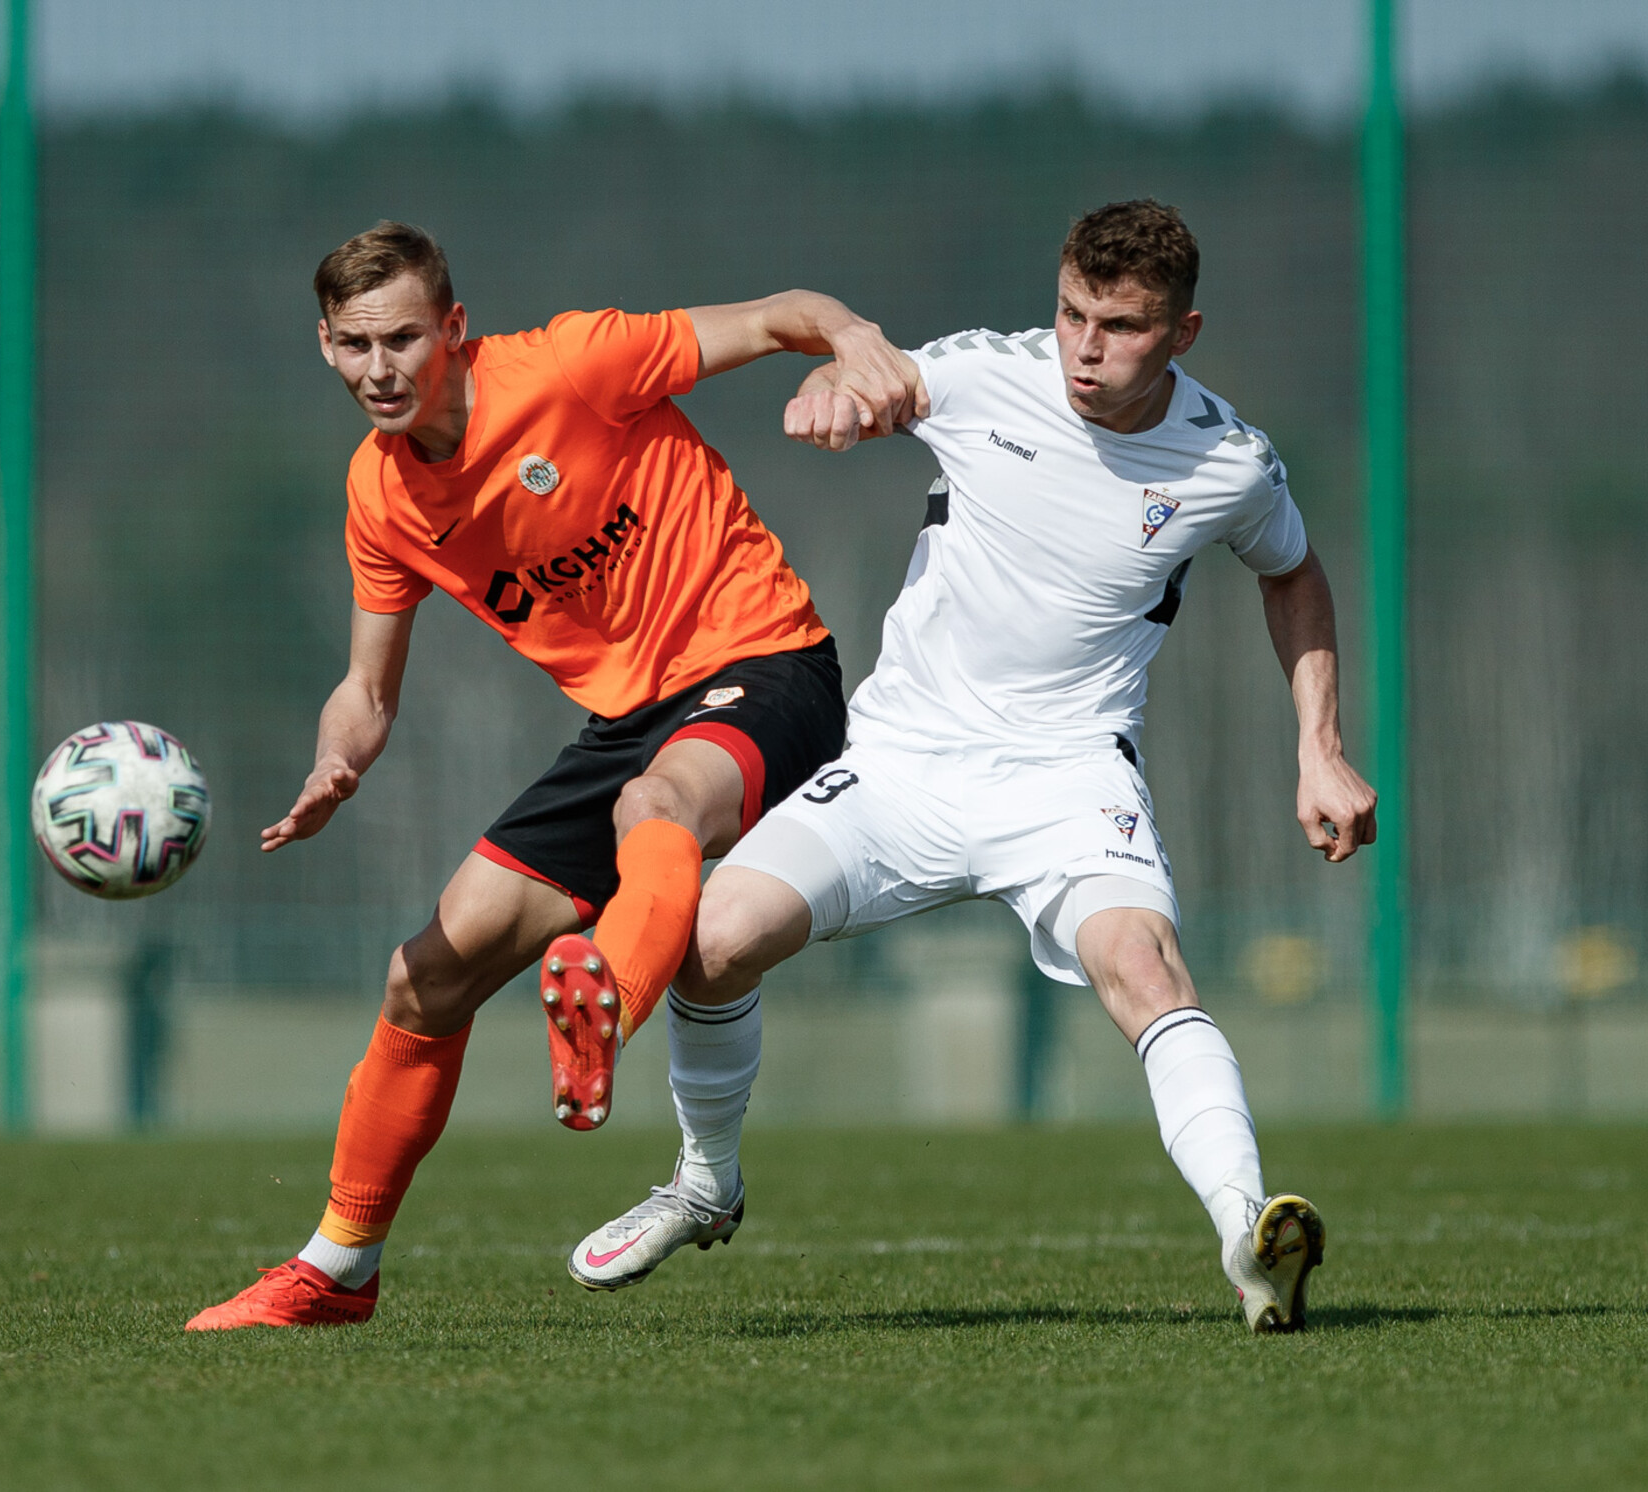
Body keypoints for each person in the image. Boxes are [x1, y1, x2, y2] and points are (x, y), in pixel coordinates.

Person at [567, 200, 1377, 1333]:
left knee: (1144, 969)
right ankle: (706, 1181)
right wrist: (832, 395)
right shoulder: (979, 375)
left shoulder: (1227, 461)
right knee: (707, 941)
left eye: (1122, 325)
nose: (1085, 348)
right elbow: (875, 378)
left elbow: (1290, 573)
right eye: (1070, 313)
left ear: (1181, 333)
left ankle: (1249, 1238)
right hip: (901, 762)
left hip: (1066, 776)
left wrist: (1320, 748)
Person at [186, 221, 915, 1330]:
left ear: (454, 329)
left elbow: (779, 315)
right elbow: (366, 689)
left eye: (401, 340)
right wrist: (338, 757)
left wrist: (853, 344)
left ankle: (603, 1000)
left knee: (654, 805)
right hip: (627, 720)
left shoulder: (573, 363)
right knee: (425, 973)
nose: (378, 370)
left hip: (764, 666)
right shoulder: (380, 495)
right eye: (351, 345)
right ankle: (336, 1268)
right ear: (323, 344)